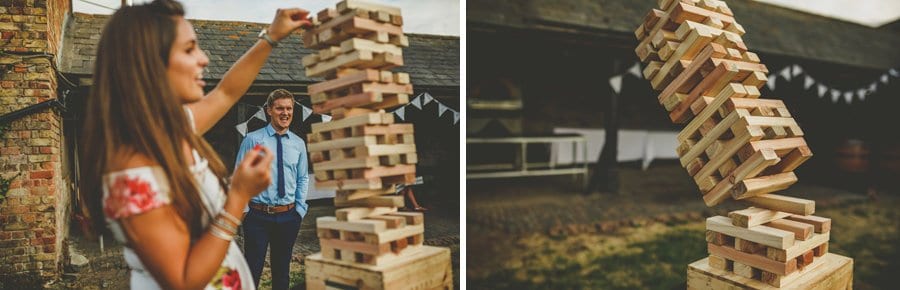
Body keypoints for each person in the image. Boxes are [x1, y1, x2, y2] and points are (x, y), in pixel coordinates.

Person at [78, 1, 310, 289]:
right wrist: (238, 197)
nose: (204, 59)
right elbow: (182, 280)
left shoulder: (174, 128)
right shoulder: (130, 167)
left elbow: (226, 91)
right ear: (150, 63)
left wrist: (271, 37)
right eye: (189, 49)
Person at [235, 89, 309, 289]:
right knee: (252, 269)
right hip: (257, 216)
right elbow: (239, 176)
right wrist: (243, 212)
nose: (285, 113)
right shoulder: (253, 140)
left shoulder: (298, 144)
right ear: (269, 110)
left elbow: (302, 178)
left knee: (282, 271)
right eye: (280, 108)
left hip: (288, 216)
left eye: (289, 108)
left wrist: (300, 210)